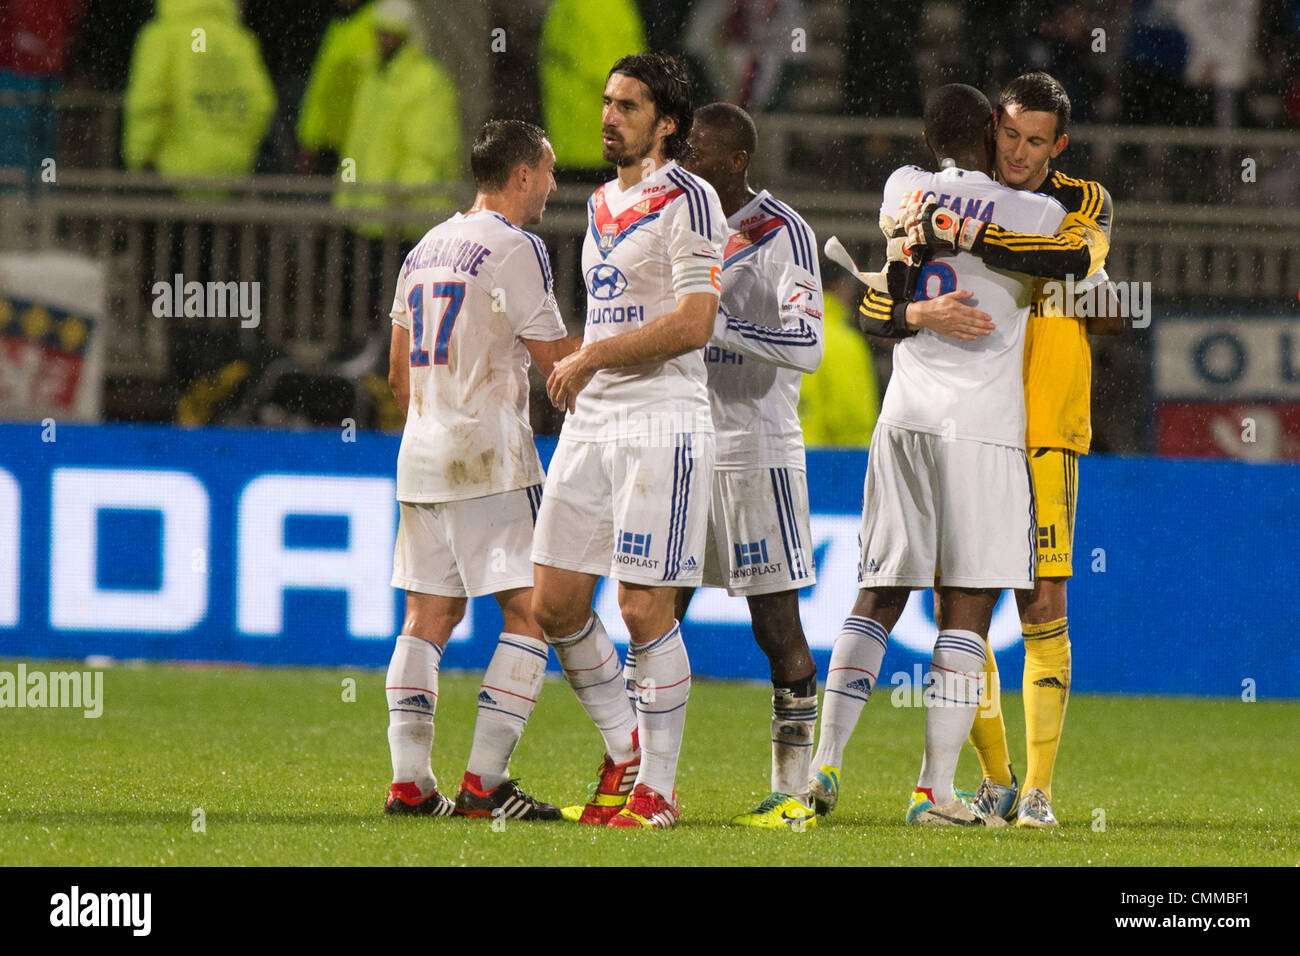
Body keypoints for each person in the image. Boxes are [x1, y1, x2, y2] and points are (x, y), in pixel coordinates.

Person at [831, 72, 1119, 829]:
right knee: (963, 596)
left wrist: (968, 237)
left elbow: (1073, 263)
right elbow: (873, 303)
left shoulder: (1080, 202)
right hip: (974, 423)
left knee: (1043, 600)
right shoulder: (944, 196)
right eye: (1010, 135)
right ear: (992, 126)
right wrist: (917, 297)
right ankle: (989, 778)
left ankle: (1039, 791)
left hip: (1045, 422)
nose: (1020, 153)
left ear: (1060, 144)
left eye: (1036, 141)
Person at [529, 52, 726, 830]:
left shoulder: (692, 199)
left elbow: (693, 322)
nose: (609, 116)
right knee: (553, 602)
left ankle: (660, 792)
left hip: (663, 418)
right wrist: (575, 359)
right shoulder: (601, 200)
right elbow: (613, 317)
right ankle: (625, 750)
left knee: (644, 610)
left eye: (629, 106)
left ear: (667, 123)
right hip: (595, 417)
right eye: (607, 101)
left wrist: (592, 357)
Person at [382, 119, 578, 819]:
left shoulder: (424, 247)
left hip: (422, 452)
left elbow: (398, 375)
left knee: (427, 614)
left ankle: (410, 784)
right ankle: (485, 783)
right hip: (490, 456)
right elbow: (559, 363)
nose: (554, 186)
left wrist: (432, 423)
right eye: (550, 172)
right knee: (531, 612)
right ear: (522, 174)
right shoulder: (517, 246)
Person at [678, 102, 824, 829]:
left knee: (775, 624)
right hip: (685, 441)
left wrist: (721, 321)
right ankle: (650, 786)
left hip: (756, 446)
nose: (684, 156)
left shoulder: (781, 231)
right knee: (656, 611)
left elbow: (807, 345)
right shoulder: (680, 222)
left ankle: (792, 791)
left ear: (734, 162)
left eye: (697, 148)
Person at [122, 0, 275, 179]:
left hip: (173, 173)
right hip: (234, 171)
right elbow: (261, 103)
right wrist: (242, 148)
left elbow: (148, 102)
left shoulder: (163, 35)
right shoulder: (240, 39)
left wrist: (139, 158)